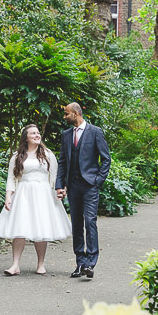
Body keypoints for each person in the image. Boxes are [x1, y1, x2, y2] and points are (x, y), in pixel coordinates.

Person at [0, 124, 71, 276]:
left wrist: (61, 190)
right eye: (33, 133)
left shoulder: (48, 154)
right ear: (26, 137)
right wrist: (8, 196)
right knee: (19, 228)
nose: (37, 135)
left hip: (43, 194)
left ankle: (41, 264)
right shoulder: (17, 156)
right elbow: (11, 177)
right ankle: (15, 265)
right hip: (23, 193)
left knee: (41, 228)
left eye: (38, 133)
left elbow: (55, 176)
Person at [55, 102, 111, 279]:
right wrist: (59, 185)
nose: (64, 117)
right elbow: (62, 162)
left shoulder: (95, 132)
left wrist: (98, 181)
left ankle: (91, 263)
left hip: (90, 185)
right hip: (73, 186)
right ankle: (80, 263)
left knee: (90, 222)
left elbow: (106, 158)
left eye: (66, 114)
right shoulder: (66, 135)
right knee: (77, 224)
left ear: (76, 113)